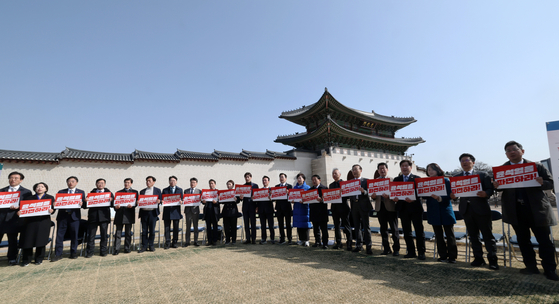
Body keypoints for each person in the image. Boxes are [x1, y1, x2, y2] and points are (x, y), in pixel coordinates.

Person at [493, 141, 558, 281]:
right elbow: (498, 188)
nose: (511, 152)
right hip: (515, 210)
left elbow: (551, 182)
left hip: (537, 209)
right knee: (523, 240)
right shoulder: (501, 170)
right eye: (508, 150)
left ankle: (549, 269)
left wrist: (543, 182)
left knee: (545, 241)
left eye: (514, 149)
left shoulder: (536, 166)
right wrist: (496, 185)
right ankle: (531, 266)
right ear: (506, 154)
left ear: (522, 151)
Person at [450, 153, 498, 270]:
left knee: (487, 236)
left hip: (481, 209)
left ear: (473, 162)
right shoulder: (456, 177)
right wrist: (453, 196)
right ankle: (478, 258)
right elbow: (455, 194)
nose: (464, 162)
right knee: (473, 236)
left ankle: (493, 260)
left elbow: (490, 189)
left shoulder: (482, 175)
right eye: (462, 161)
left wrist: (486, 193)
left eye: (467, 160)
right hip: (466, 210)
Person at [424, 163, 457, 263]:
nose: (430, 171)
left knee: (450, 234)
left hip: (445, 210)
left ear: (438, 170)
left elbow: (450, 195)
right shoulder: (425, 182)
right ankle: (442, 255)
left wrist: (439, 198)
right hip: (433, 211)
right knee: (438, 235)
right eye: (429, 170)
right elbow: (423, 195)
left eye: (432, 169)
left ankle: (452, 257)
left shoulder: (445, 180)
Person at [393, 160, 425, 260]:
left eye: (406, 166)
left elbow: (421, 193)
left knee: (419, 231)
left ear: (411, 167)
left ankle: (421, 252)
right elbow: (394, 193)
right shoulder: (396, 179)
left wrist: (414, 198)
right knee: (407, 232)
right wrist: (394, 198)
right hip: (403, 209)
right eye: (402, 166)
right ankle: (411, 251)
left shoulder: (417, 179)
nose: (404, 168)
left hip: (415, 208)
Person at [18, 182, 54, 266]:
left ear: (46, 189)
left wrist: (52, 210)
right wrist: (19, 212)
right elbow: (22, 208)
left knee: (41, 240)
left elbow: (53, 208)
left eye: (42, 186)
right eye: (38, 187)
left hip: (43, 222)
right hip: (30, 222)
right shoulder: (28, 198)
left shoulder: (50, 198)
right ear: (34, 189)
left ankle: (39, 259)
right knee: (28, 240)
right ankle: (26, 259)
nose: (40, 188)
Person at [0, 171, 32, 266]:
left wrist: (19, 207)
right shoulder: (2, 191)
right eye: (11, 178)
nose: (13, 180)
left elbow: (27, 205)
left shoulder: (26, 192)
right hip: (1, 218)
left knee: (12, 240)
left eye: (16, 178)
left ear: (21, 180)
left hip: (14, 219)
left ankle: (12, 258)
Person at [52, 176, 85, 262]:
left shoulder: (81, 192)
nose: (71, 183)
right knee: (59, 236)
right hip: (63, 217)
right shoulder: (61, 192)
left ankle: (73, 253)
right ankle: (58, 254)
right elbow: (57, 204)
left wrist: (83, 203)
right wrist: (54, 204)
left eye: (73, 181)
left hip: (74, 217)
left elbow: (85, 206)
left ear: (76, 183)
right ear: (67, 183)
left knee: (74, 235)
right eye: (69, 181)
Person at [370, 162, 400, 256]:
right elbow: (372, 195)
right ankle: (386, 248)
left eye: (384, 168)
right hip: (380, 207)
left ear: (387, 169)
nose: (382, 170)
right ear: (378, 171)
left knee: (394, 229)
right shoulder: (375, 181)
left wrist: (389, 196)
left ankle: (396, 249)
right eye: (380, 169)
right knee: (383, 230)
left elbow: (396, 193)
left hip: (391, 207)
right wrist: (373, 196)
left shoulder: (393, 180)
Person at [85, 178, 114, 258]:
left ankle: (103, 251)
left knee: (104, 235)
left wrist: (112, 200)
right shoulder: (91, 193)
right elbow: (85, 206)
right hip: (93, 217)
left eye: (102, 183)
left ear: (104, 184)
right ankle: (90, 252)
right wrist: (85, 201)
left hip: (104, 217)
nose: (100, 184)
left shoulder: (109, 193)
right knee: (91, 236)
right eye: (98, 183)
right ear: (96, 184)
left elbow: (114, 205)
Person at [350, 164, 373, 255]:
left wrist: (364, 191)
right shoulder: (350, 182)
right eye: (353, 170)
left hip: (364, 206)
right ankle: (358, 245)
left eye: (356, 169)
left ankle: (368, 246)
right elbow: (348, 194)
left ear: (361, 170)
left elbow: (370, 193)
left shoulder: (366, 181)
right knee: (357, 227)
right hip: (354, 205)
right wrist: (342, 192)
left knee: (366, 227)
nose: (354, 171)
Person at [329, 169, 352, 251]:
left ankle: (349, 243)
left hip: (344, 207)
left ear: (340, 174)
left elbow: (349, 196)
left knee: (346, 226)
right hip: (334, 208)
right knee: (337, 226)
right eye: (333, 173)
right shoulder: (331, 185)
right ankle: (338, 243)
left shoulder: (345, 184)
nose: (334, 175)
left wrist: (344, 192)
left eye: (336, 173)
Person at [113, 178, 138, 255]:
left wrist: (133, 205)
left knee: (128, 233)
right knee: (118, 233)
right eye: (125, 182)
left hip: (129, 215)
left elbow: (136, 203)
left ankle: (127, 248)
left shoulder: (135, 192)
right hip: (120, 215)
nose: (126, 184)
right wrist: (116, 207)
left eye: (128, 182)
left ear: (131, 184)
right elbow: (114, 204)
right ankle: (116, 249)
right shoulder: (118, 192)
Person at [138, 176, 161, 253]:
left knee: (152, 230)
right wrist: (138, 202)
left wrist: (159, 201)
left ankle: (151, 245)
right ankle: (144, 246)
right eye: (147, 181)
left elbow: (161, 200)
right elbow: (139, 201)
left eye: (149, 181)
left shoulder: (158, 190)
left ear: (154, 182)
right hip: (144, 212)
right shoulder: (142, 191)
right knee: (144, 230)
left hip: (153, 213)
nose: (148, 182)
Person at [162, 176, 183, 249]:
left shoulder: (180, 190)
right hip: (167, 212)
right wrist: (162, 201)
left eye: (174, 180)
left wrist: (181, 201)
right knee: (167, 228)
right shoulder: (165, 190)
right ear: (169, 182)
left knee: (176, 228)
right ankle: (167, 243)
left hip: (176, 212)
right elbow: (162, 200)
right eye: (171, 180)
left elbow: (183, 199)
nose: (172, 182)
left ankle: (175, 242)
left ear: (176, 182)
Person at [309, 175, 329, 249]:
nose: (314, 181)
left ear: (319, 180)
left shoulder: (324, 188)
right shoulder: (310, 190)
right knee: (316, 228)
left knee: (324, 229)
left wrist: (322, 200)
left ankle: (325, 243)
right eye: (312, 180)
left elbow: (328, 199)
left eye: (315, 179)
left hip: (322, 211)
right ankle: (317, 241)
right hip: (314, 211)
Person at [291, 173, 311, 247]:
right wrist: (292, 200)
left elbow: (310, 198)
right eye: (298, 178)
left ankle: (306, 240)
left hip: (304, 209)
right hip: (297, 209)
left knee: (305, 224)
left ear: (303, 179)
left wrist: (304, 200)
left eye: (300, 178)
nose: (299, 180)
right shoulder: (294, 188)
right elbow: (291, 198)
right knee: (299, 225)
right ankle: (301, 239)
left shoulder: (307, 188)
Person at [275, 173, 293, 245]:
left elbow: (292, 197)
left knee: (288, 224)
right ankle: (282, 238)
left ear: (286, 178)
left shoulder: (289, 186)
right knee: (280, 224)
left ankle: (289, 239)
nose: (281, 178)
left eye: (282, 177)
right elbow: (274, 197)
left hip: (287, 207)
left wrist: (289, 193)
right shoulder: (276, 186)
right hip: (279, 208)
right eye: (280, 177)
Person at [241, 172, 259, 244]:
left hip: (253, 206)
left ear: (251, 177)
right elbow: (241, 198)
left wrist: (257, 206)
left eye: (248, 177)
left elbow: (258, 196)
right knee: (246, 224)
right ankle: (248, 239)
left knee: (253, 223)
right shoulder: (242, 186)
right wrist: (241, 197)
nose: (247, 178)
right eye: (246, 177)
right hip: (245, 207)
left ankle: (253, 239)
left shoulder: (255, 185)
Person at [201, 179, 220, 245]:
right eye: (210, 183)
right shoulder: (205, 192)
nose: (211, 185)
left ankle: (215, 240)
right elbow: (202, 201)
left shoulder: (218, 192)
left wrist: (216, 202)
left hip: (214, 212)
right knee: (208, 227)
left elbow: (221, 201)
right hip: (207, 211)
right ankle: (209, 240)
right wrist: (203, 202)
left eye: (212, 183)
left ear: (215, 184)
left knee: (215, 226)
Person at [221, 180, 240, 244]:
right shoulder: (224, 192)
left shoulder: (236, 192)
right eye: (228, 184)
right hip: (226, 211)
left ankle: (234, 240)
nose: (229, 185)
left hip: (233, 212)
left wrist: (236, 200)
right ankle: (227, 240)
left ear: (232, 185)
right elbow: (222, 202)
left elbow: (238, 201)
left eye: (230, 184)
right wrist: (220, 198)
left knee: (233, 227)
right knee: (226, 227)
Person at [184, 177, 201, 247]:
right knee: (188, 226)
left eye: (194, 182)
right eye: (191, 182)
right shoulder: (186, 191)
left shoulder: (199, 191)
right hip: (188, 211)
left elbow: (201, 200)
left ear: (196, 183)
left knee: (195, 226)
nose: (192, 184)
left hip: (195, 211)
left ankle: (195, 241)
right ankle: (187, 241)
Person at [258, 176, 275, 244]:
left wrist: (271, 197)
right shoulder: (259, 190)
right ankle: (263, 239)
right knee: (263, 225)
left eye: (265, 180)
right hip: (261, 210)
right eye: (263, 180)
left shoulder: (271, 190)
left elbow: (275, 198)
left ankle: (272, 238)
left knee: (271, 225)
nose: (264, 181)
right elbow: (257, 200)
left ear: (268, 181)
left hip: (269, 210)